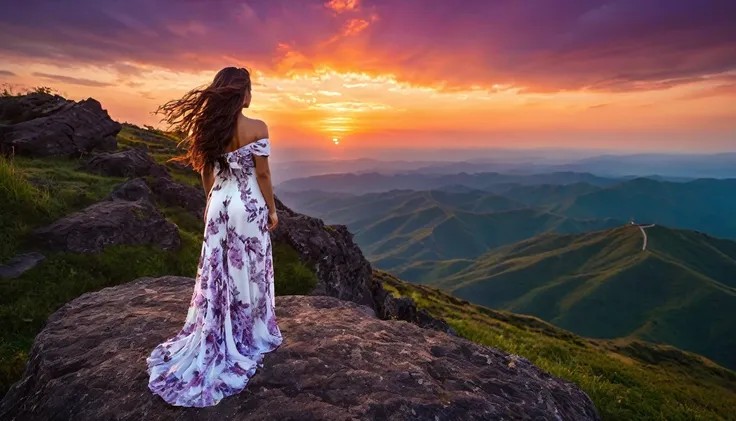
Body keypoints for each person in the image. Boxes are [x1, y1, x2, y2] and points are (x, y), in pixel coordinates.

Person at [146, 66, 282, 407]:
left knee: (217, 268)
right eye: (250, 89)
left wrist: (213, 199)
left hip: (219, 202)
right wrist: (273, 209)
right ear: (242, 93)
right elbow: (262, 174)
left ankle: (216, 326)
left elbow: (207, 172)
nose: (252, 95)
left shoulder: (209, 128)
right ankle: (248, 330)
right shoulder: (257, 128)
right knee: (250, 263)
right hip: (247, 204)